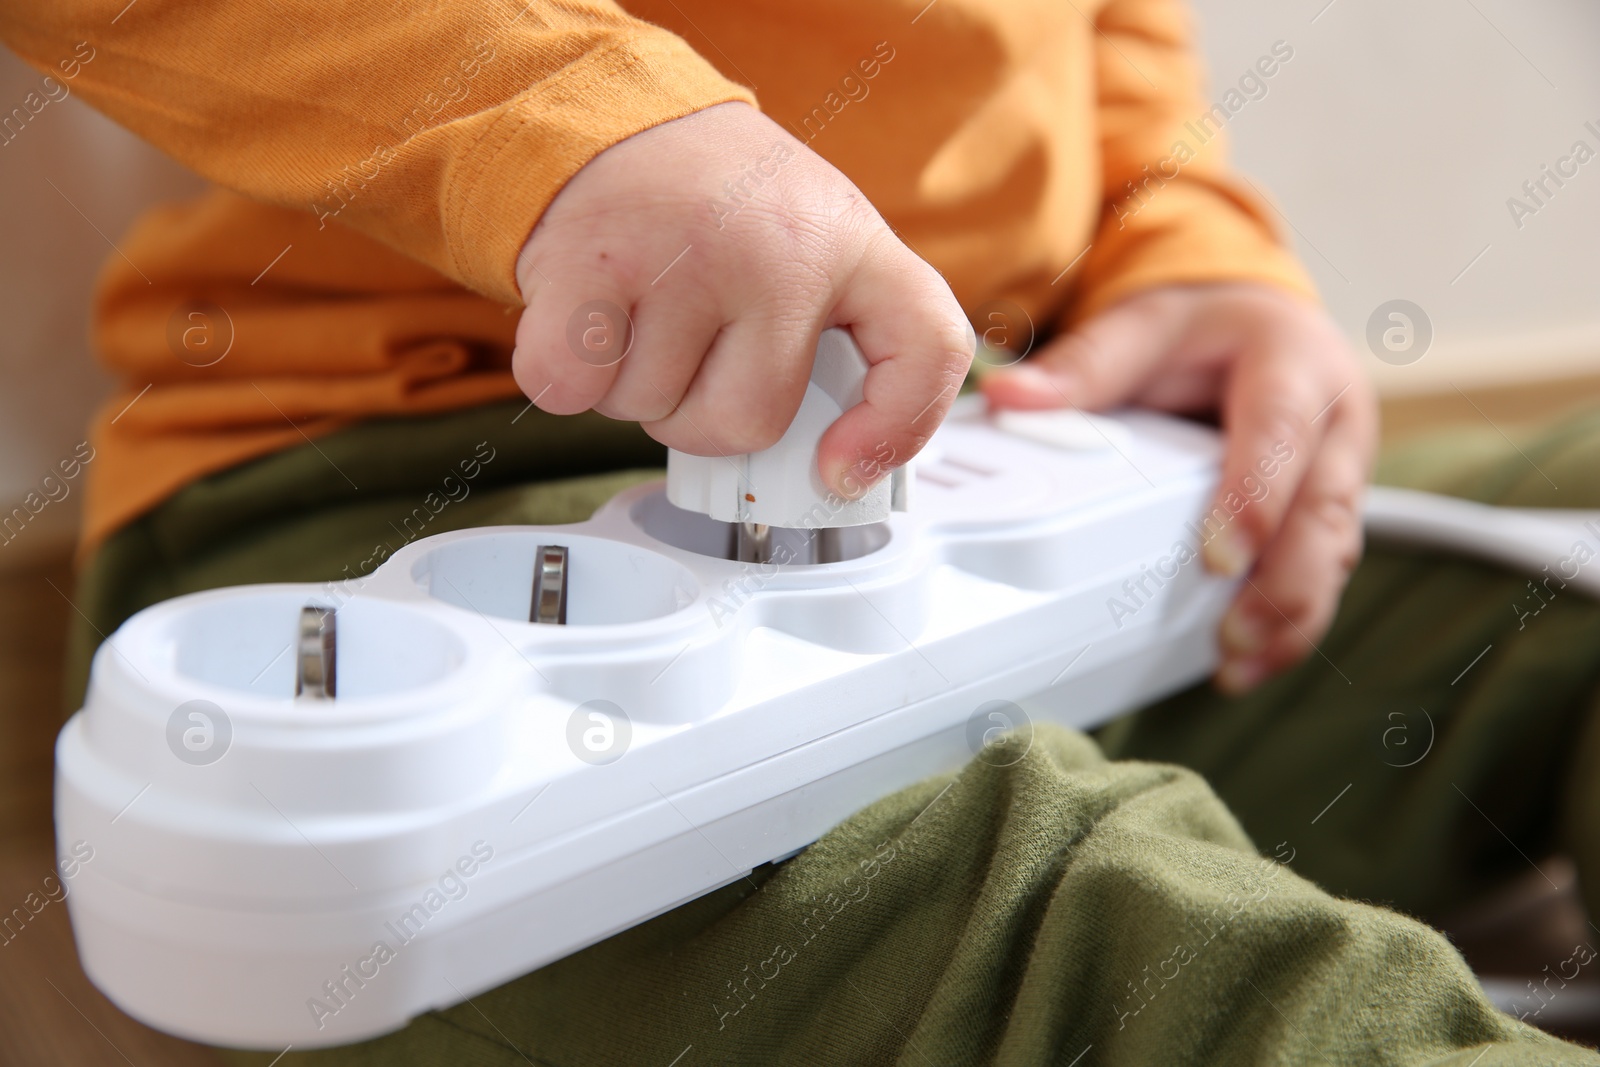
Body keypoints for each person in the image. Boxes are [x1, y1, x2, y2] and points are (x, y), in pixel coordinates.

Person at [2, 0, 1594, 1062]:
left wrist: (1185, 240)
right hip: (404, 478)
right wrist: (573, 124)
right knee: (1161, 976)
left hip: (1031, 436)